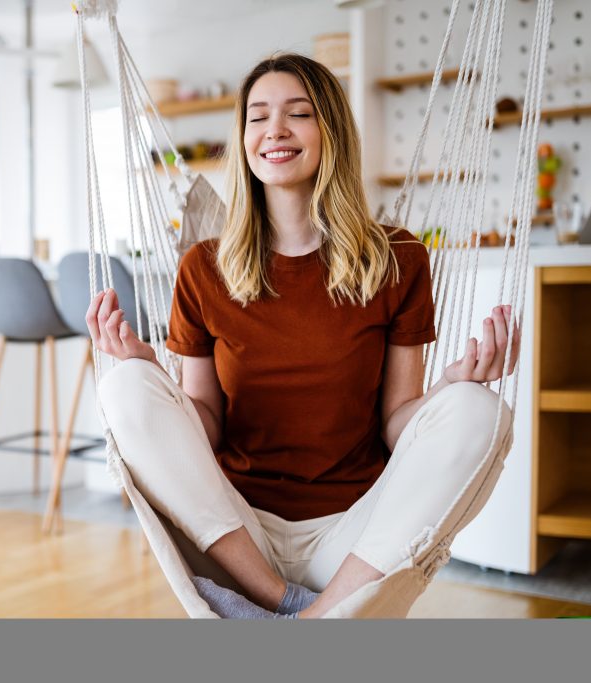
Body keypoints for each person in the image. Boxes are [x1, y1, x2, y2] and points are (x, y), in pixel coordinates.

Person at [85, 53, 519, 619]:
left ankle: (316, 618)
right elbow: (207, 423)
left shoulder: (398, 258)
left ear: (330, 131)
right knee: (123, 387)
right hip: (238, 530)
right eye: (258, 117)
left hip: (354, 534)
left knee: (481, 409)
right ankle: (274, 599)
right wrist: (151, 381)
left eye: (298, 113)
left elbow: (395, 422)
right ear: (243, 139)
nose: (275, 131)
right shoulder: (203, 267)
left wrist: (451, 389)